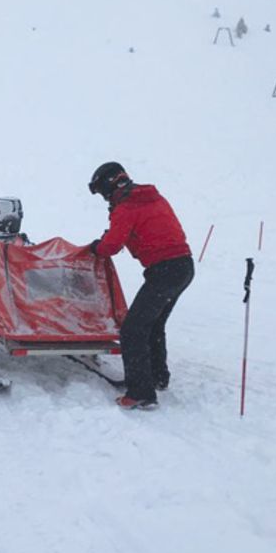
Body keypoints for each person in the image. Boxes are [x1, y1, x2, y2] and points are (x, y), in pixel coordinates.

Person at [87, 161, 194, 410]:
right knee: (153, 324)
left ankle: (140, 393)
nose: (105, 198)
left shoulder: (126, 207)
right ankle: (157, 377)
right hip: (184, 267)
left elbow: (111, 246)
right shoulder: (152, 197)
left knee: (132, 330)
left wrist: (96, 247)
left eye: (102, 192)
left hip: (164, 270)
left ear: (109, 185)